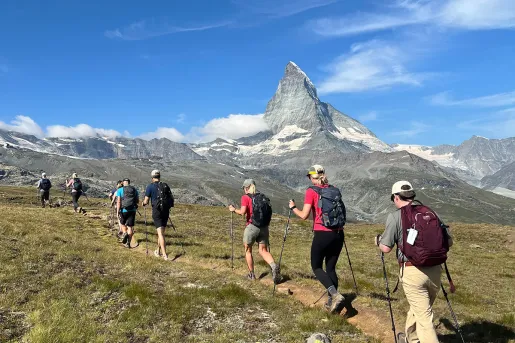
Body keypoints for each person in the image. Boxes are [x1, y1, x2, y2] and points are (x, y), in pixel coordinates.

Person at [375, 181, 453, 343]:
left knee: (424, 318)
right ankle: (411, 339)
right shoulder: (431, 213)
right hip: (435, 272)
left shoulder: (395, 216)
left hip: (412, 272)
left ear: (396, 197)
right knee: (419, 309)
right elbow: (448, 242)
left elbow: (386, 248)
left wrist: (377, 241)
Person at [288, 165, 347, 314]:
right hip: (338, 233)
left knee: (316, 267)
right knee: (331, 268)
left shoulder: (311, 191)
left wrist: (293, 207)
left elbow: (304, 215)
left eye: (309, 176)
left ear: (311, 177)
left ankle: (335, 295)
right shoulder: (333, 189)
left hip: (322, 233)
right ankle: (330, 302)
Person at [229, 179, 281, 283]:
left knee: (248, 250)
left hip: (252, 226)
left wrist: (234, 210)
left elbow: (243, 212)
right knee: (263, 251)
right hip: (264, 227)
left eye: (244, 188)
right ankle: (273, 265)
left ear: (247, 187)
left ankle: (251, 275)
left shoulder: (245, 197)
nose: (244, 190)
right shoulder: (261, 197)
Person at [143, 170, 174, 261]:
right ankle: (158, 250)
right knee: (161, 233)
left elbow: (146, 201)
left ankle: (165, 255)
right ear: (159, 176)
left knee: (160, 234)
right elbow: (171, 198)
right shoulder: (165, 185)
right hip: (165, 211)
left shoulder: (150, 186)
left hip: (157, 211)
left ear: (152, 178)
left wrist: (143, 203)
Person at [116, 178, 139, 249]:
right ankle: (128, 242)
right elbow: (137, 200)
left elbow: (119, 201)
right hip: (132, 210)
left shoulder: (120, 190)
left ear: (123, 183)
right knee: (130, 227)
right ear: (129, 182)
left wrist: (117, 211)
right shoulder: (134, 190)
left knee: (122, 223)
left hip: (123, 210)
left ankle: (125, 233)